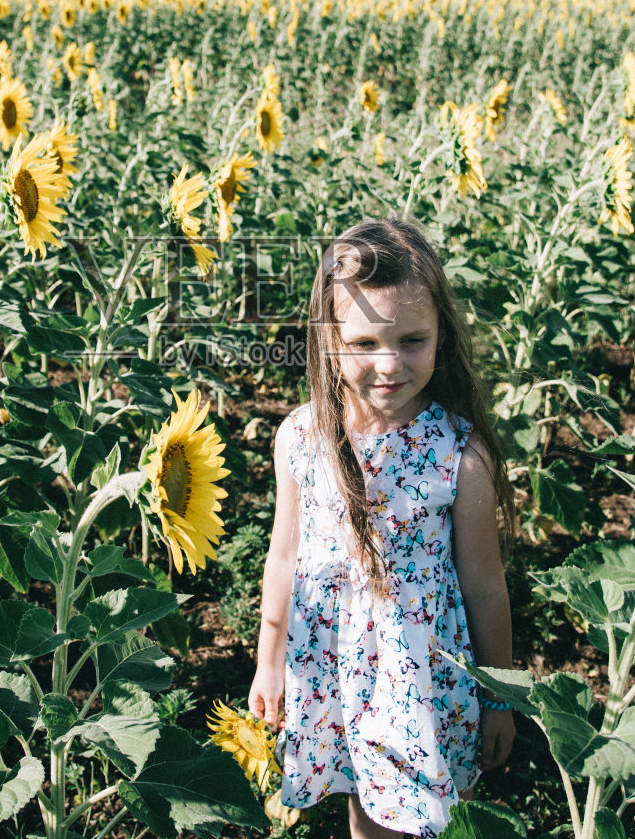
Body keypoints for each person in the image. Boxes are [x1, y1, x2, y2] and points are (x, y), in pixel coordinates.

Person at [248, 217, 517, 838]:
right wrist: (269, 663)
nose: (389, 365)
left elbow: (484, 586)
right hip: (329, 662)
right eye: (364, 343)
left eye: (412, 340)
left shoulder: (458, 454)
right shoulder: (301, 438)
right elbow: (284, 557)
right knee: (362, 809)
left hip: (416, 668)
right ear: (326, 340)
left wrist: (499, 696)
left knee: (409, 815)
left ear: (441, 336)